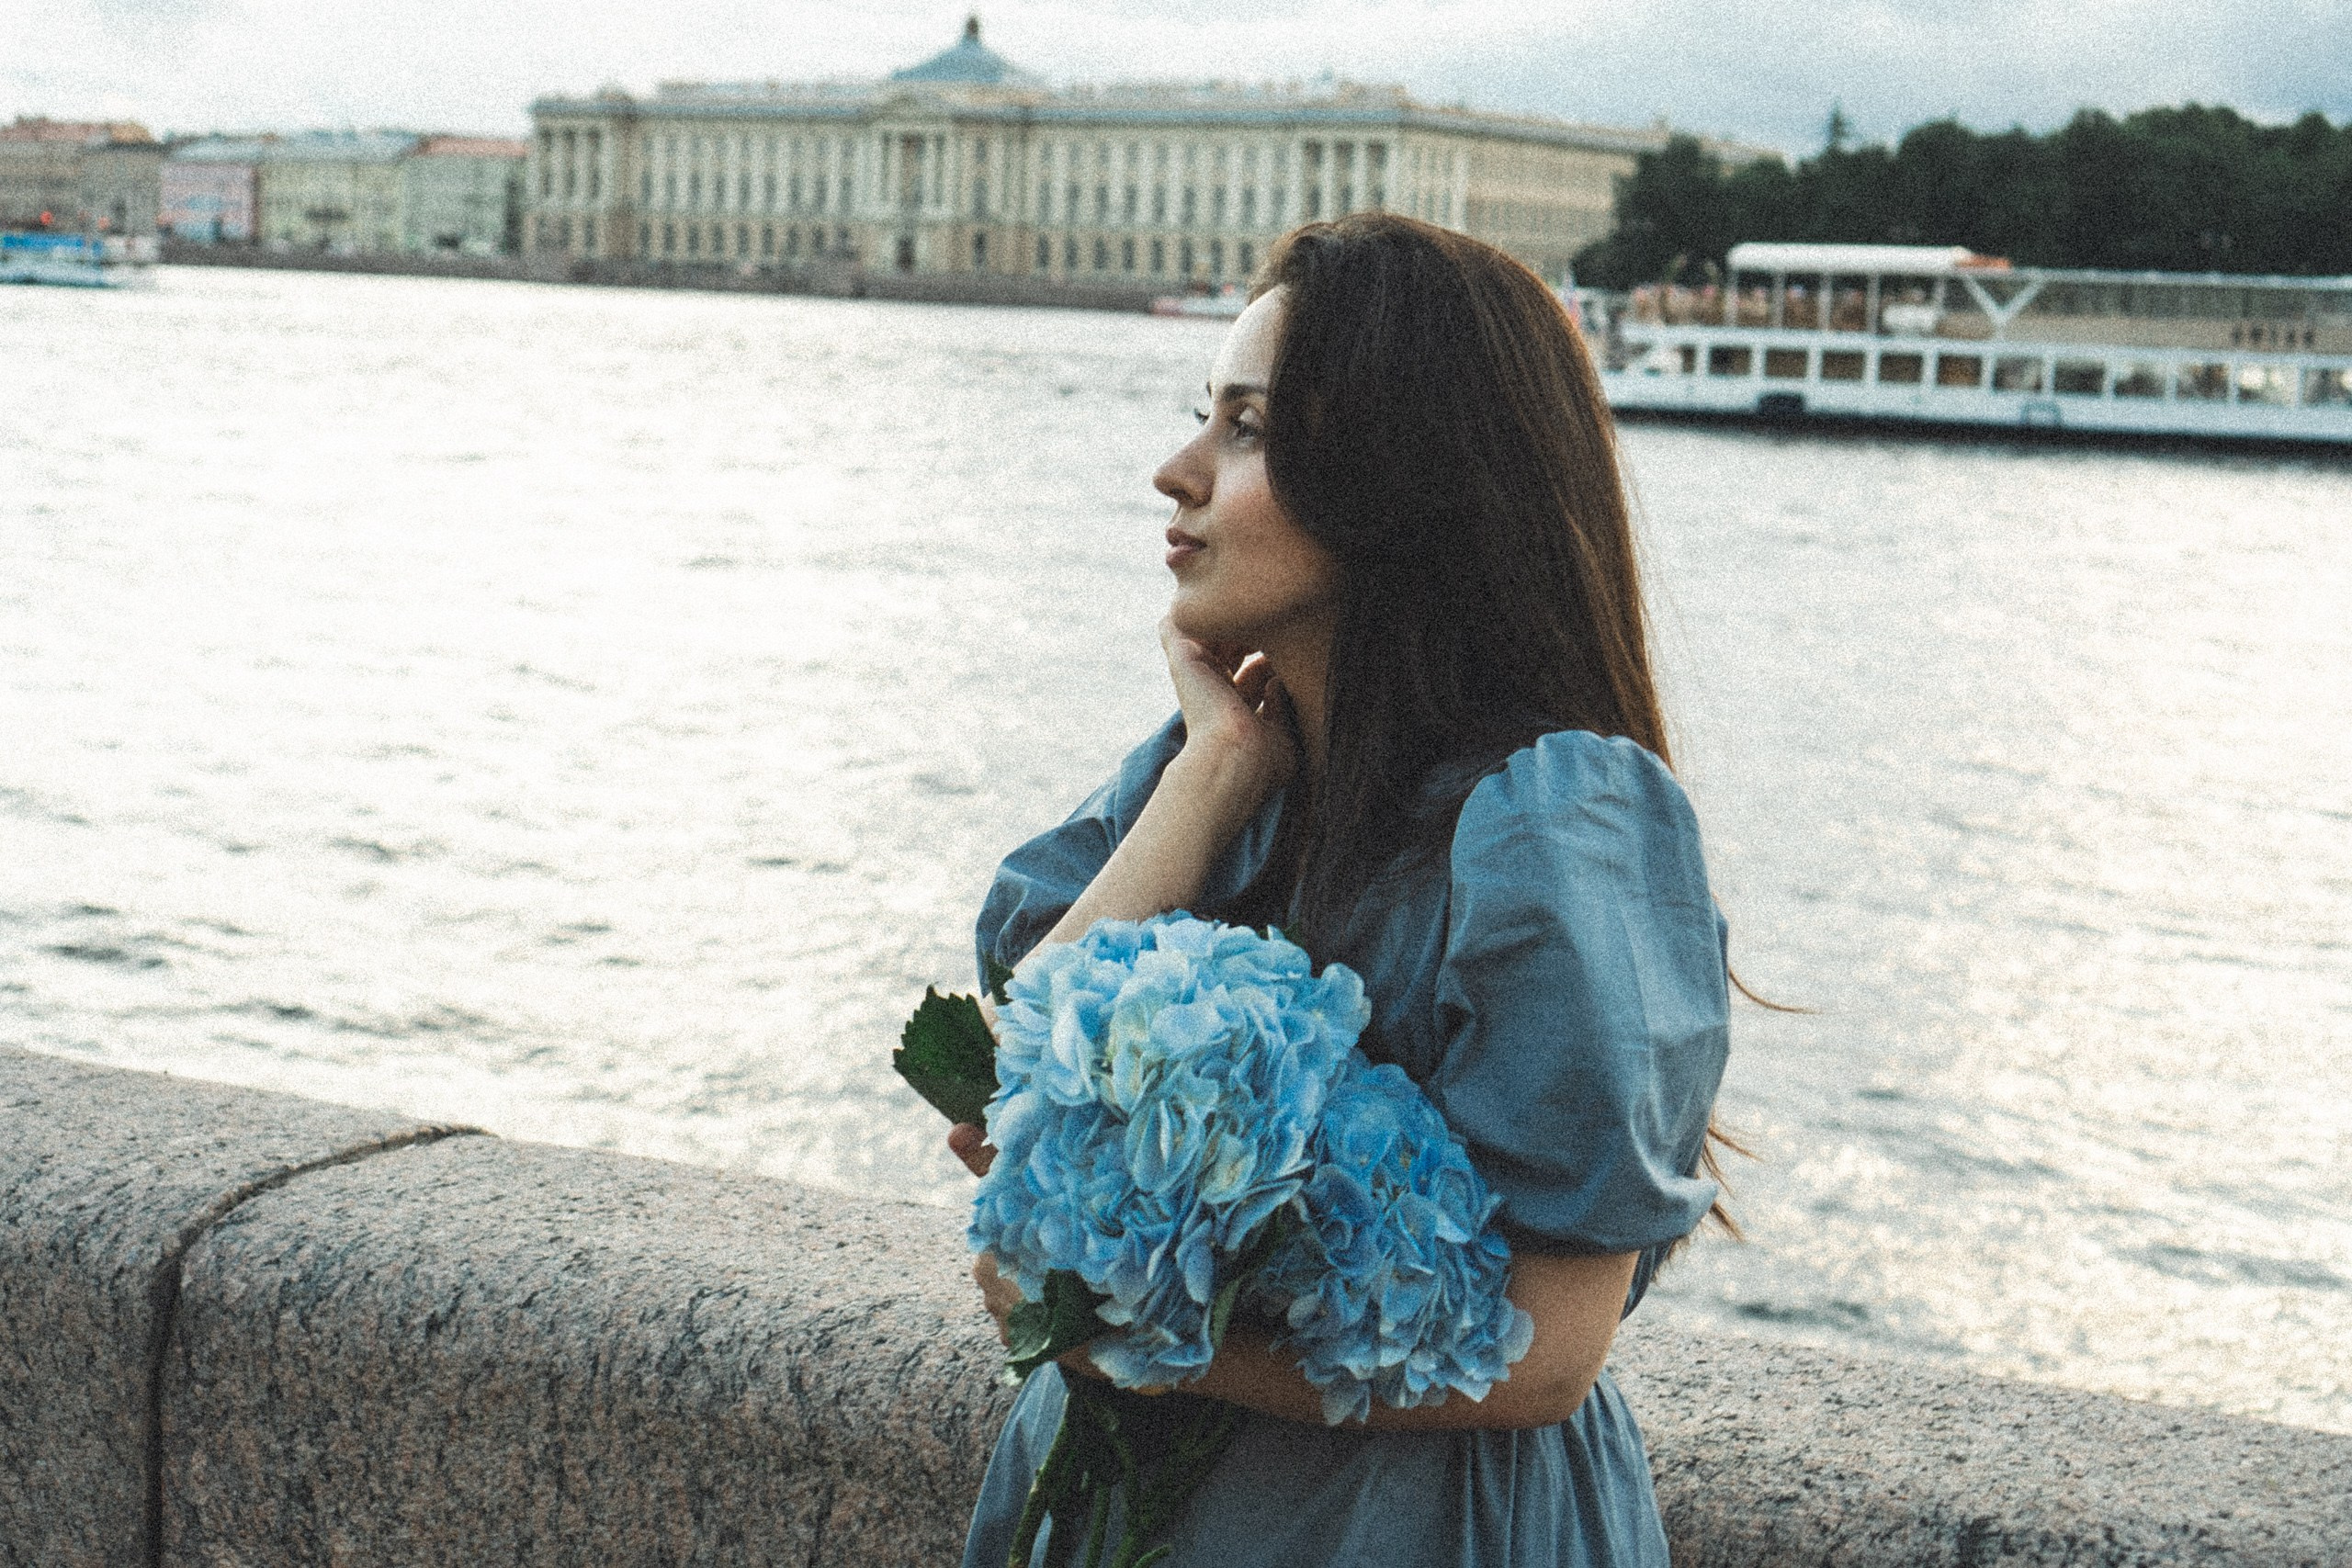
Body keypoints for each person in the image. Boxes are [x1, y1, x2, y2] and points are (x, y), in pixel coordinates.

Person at [946, 211, 1734, 1567]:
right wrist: (1210, 778)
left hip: (1407, 1525)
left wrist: (1140, 1342)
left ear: (1401, 477)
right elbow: (994, 1099)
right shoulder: (1213, 777)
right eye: (1205, 416)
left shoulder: (1554, 823)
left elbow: (1554, 1351)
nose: (1176, 472)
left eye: (1247, 429)